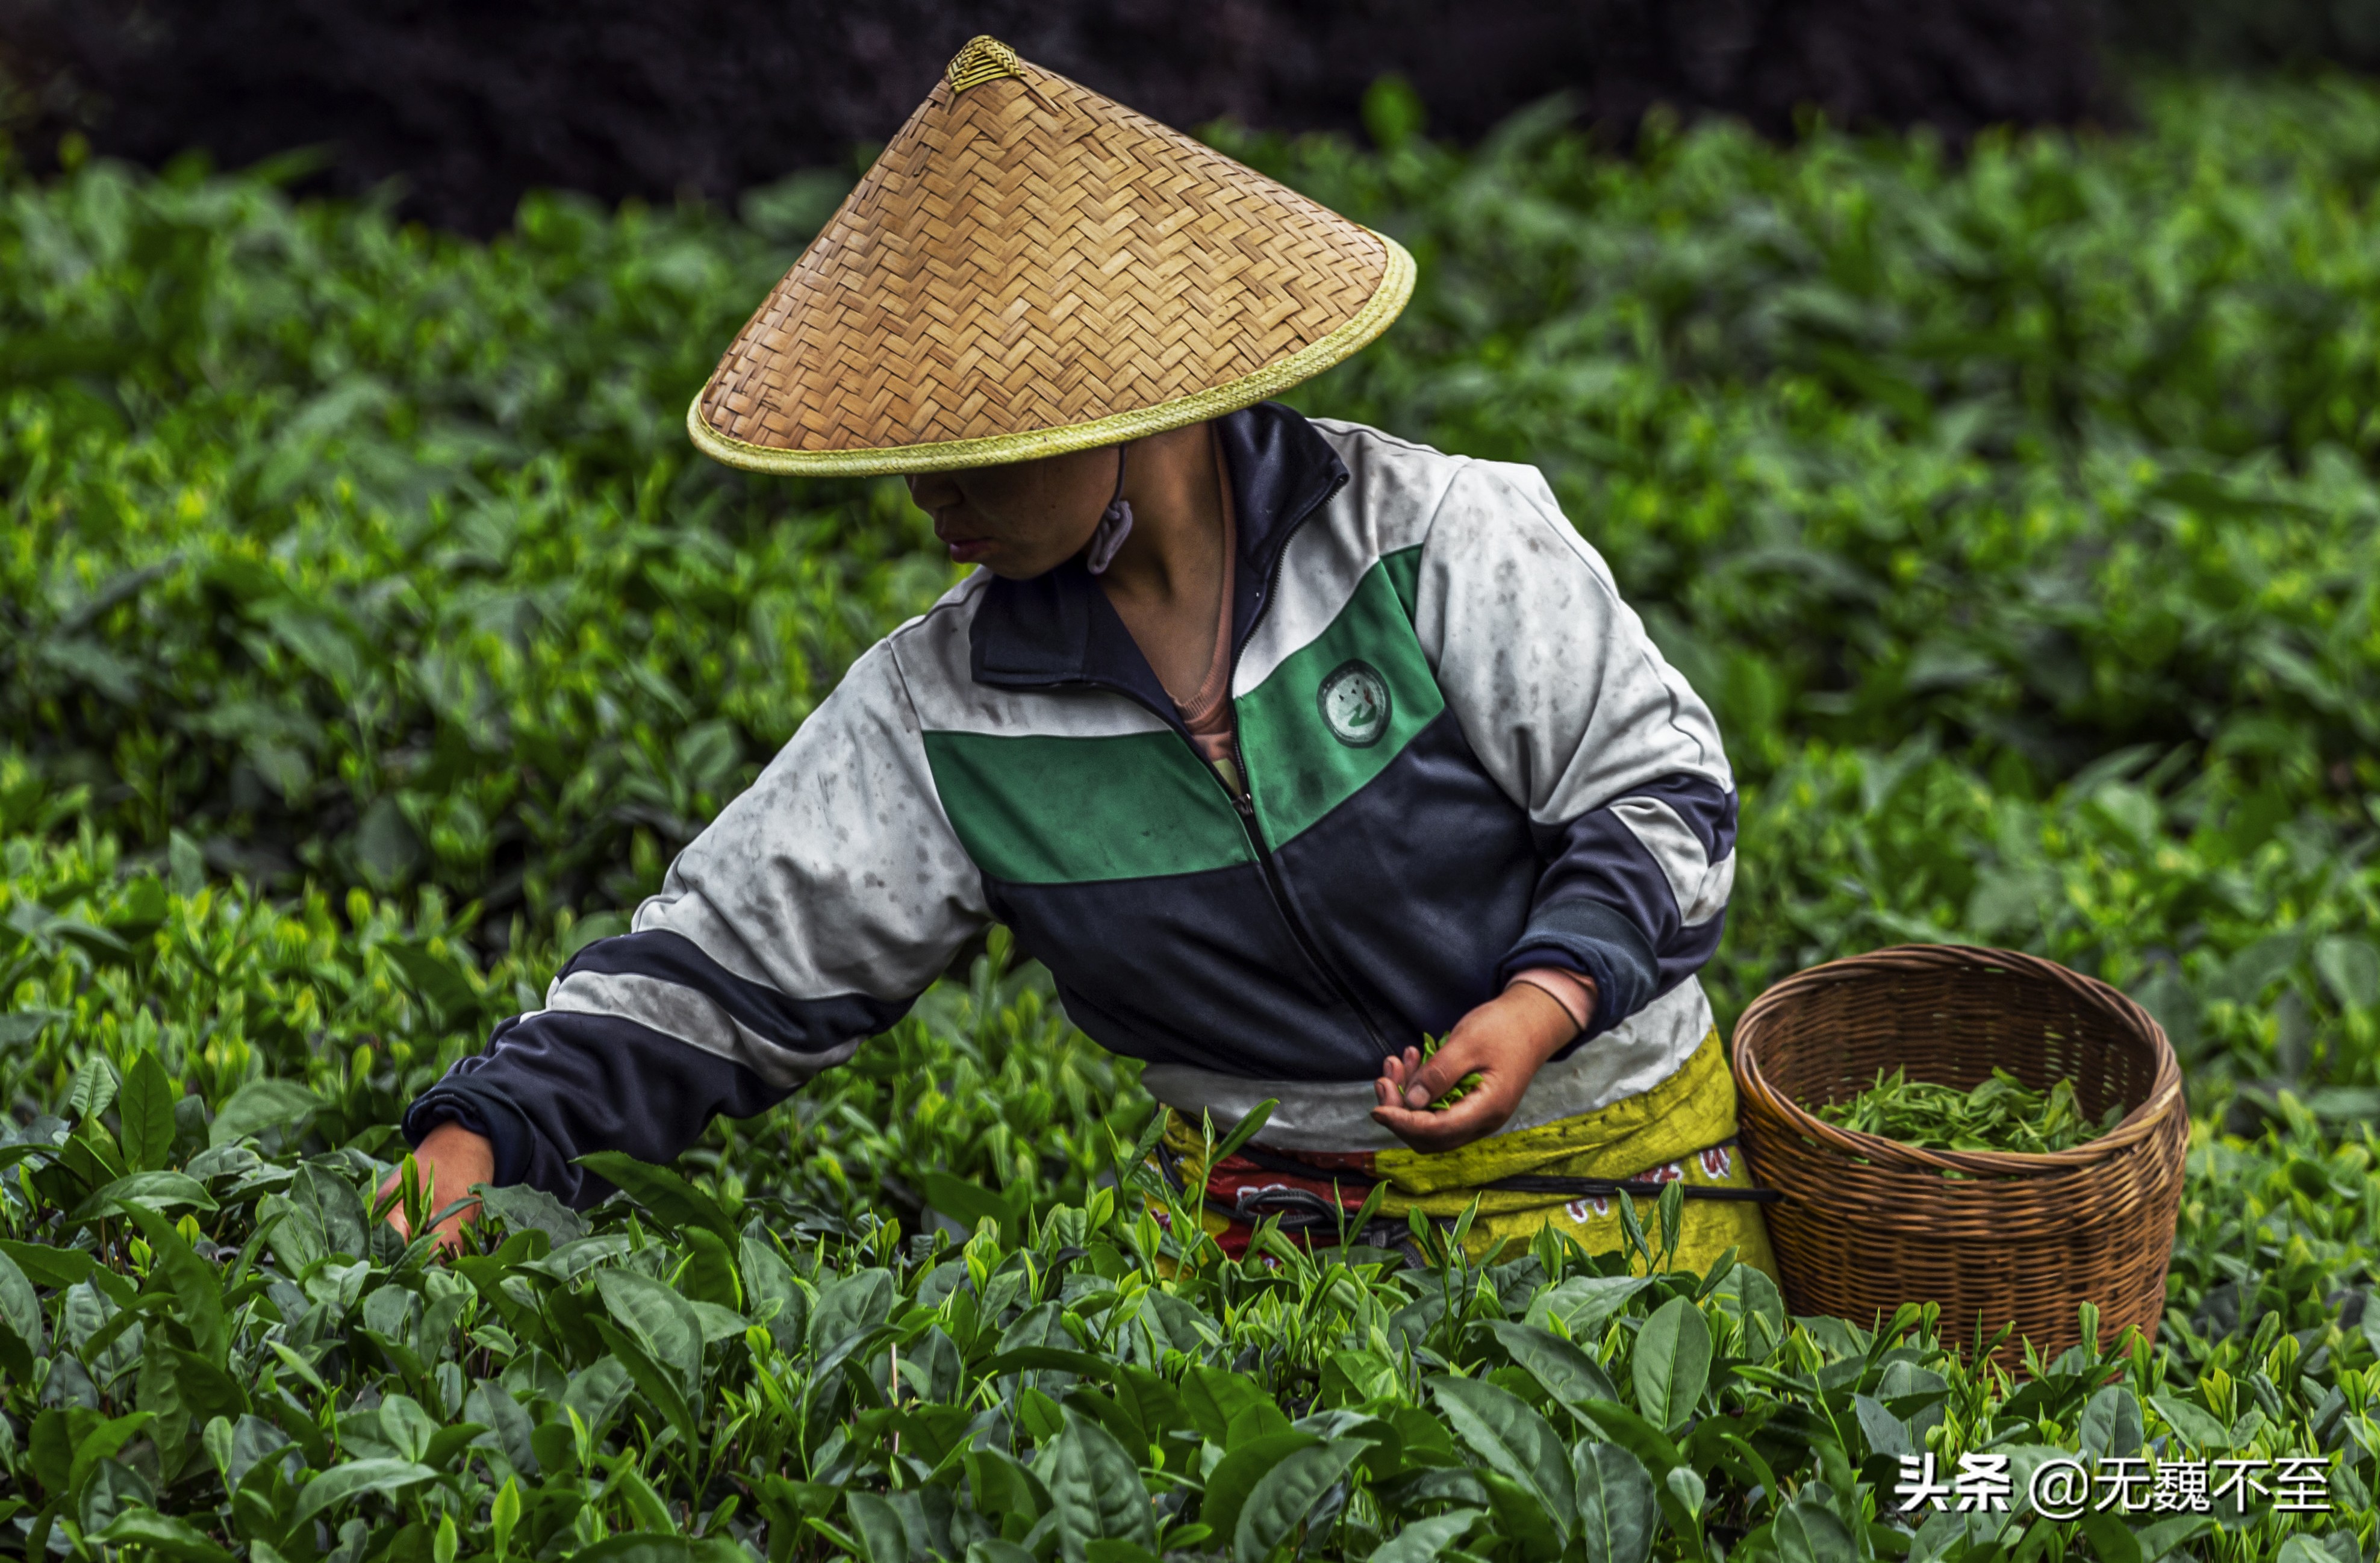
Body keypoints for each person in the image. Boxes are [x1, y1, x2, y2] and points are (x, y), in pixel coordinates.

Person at [390, 37, 1775, 1274]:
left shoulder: (1432, 539)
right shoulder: (941, 711)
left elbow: (1659, 797)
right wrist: (493, 1127)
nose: (927, 492)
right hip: (1276, 1251)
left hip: (1613, 1192)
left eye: (970, 447)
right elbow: (732, 960)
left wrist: (1542, 1002)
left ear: (1135, 403)